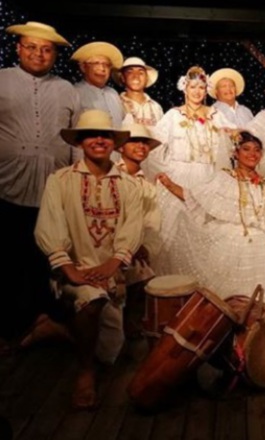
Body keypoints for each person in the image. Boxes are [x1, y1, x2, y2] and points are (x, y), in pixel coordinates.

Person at [33, 109, 144, 408]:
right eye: (91, 135)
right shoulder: (60, 180)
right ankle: (85, 373)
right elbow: (48, 224)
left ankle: (57, 329)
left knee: (109, 352)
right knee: (91, 303)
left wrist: (111, 266)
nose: (99, 140)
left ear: (113, 142)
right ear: (80, 142)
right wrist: (69, 269)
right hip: (75, 270)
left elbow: (134, 227)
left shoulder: (129, 185)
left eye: (105, 135)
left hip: (112, 272)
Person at [157, 131, 265, 301]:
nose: (252, 154)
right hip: (230, 245)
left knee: (258, 295)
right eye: (246, 149)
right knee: (229, 296)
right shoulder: (223, 179)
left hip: (261, 248)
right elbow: (194, 198)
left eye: (257, 150)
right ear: (235, 153)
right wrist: (170, 185)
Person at [0, 21, 80, 348]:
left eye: (46, 49)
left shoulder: (66, 89)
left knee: (46, 257)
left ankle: (44, 319)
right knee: (8, 258)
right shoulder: (1, 80)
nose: (38, 54)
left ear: (55, 55)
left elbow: (76, 139)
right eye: (31, 47)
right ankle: (11, 327)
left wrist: (75, 182)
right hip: (6, 186)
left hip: (52, 189)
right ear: (18, 48)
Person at [148, 66, 236, 274]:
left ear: (206, 91)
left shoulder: (216, 116)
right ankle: (171, 284)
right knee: (174, 230)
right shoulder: (173, 116)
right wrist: (165, 177)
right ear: (184, 88)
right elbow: (155, 149)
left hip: (207, 178)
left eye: (201, 87)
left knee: (205, 230)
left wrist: (222, 181)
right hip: (177, 176)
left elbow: (225, 150)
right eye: (193, 86)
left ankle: (204, 285)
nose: (197, 91)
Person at [115, 124, 163, 336]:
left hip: (134, 248)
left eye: (145, 143)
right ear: (121, 147)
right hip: (106, 245)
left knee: (145, 272)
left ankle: (129, 325)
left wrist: (144, 246)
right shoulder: (110, 176)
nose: (141, 146)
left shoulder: (148, 187)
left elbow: (152, 223)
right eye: (134, 141)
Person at [71, 42, 125, 128]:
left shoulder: (113, 94)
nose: (102, 68)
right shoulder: (74, 93)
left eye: (106, 65)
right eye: (96, 63)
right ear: (83, 67)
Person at [116, 57, 164, 127]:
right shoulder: (116, 104)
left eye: (141, 73)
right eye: (130, 72)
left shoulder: (156, 107)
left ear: (146, 78)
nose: (136, 76)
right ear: (123, 78)